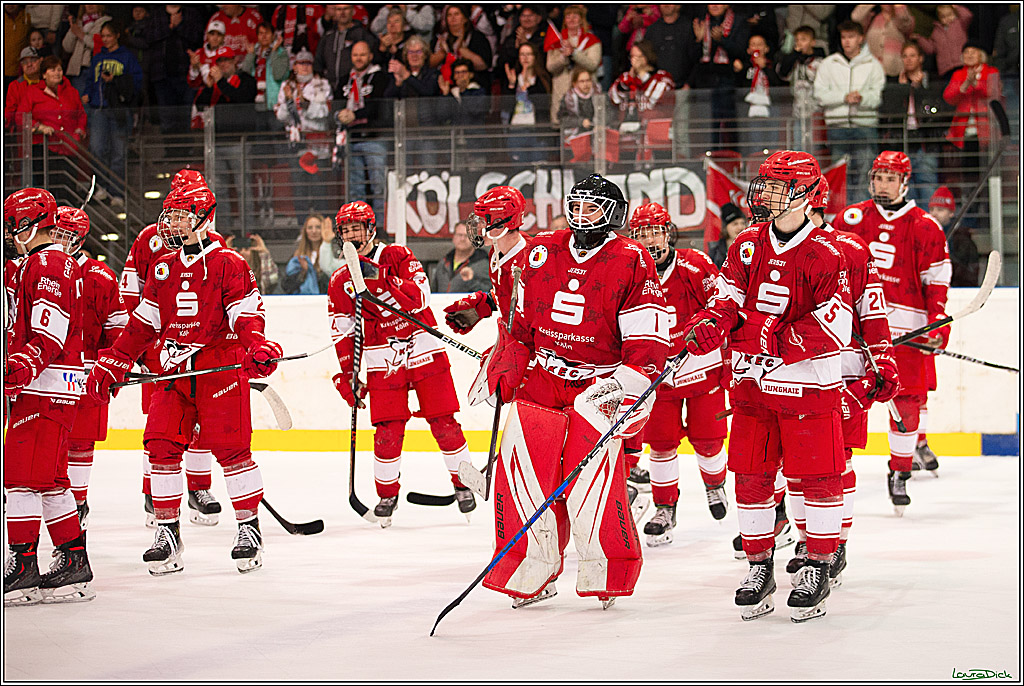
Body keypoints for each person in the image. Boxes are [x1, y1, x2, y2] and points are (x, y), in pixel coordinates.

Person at [474, 174, 670, 609]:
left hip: (599, 382)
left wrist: (629, 385)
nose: (582, 216)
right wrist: (509, 359)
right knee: (522, 477)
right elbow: (520, 324)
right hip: (543, 381)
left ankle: (607, 572)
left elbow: (648, 338)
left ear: (613, 214)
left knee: (593, 487)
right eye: (576, 206)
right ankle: (531, 569)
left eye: (593, 208)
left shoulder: (632, 258)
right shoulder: (543, 250)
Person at [682, 150, 853, 622]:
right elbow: (727, 296)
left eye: (777, 186)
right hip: (752, 387)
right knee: (752, 479)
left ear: (805, 194)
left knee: (816, 479)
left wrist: (770, 335)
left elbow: (833, 329)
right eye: (766, 185)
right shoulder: (746, 244)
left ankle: (817, 563)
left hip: (808, 389)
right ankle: (760, 567)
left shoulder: (826, 253)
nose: (764, 194)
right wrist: (711, 320)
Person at [87, 181, 283, 576]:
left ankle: (248, 527)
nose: (172, 222)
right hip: (173, 369)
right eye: (170, 214)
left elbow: (245, 314)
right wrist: (117, 360)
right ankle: (167, 533)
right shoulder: (165, 266)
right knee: (160, 445)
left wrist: (257, 346)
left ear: (204, 217)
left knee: (231, 449)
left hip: (218, 367)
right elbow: (145, 322)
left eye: (180, 214)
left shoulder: (229, 262)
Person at [327, 201, 476, 525]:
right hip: (384, 359)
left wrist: (380, 279)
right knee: (387, 430)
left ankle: (463, 485)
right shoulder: (340, 279)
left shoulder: (398, 256)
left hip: (424, 350)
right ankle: (387, 494)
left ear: (370, 229)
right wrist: (347, 374)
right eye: (346, 230)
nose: (352, 235)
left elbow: (421, 296)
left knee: (444, 422)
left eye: (357, 228)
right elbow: (342, 331)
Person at [787, 176, 898, 587]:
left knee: (836, 462)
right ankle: (807, 541)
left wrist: (882, 356)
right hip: (788, 373)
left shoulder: (850, 248)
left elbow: (872, 310)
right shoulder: (766, 246)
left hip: (842, 369)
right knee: (795, 468)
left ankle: (836, 544)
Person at [832, 151, 951, 506]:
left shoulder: (926, 226)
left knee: (908, 403)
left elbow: (937, 283)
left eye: (890, 177)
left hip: (907, 329)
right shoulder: (850, 218)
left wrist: (937, 326)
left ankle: (900, 471)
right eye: (878, 177)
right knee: (847, 400)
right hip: (855, 332)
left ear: (904, 182)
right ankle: (836, 470)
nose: (882, 183)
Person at [118, 168, 227, 528]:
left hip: (197, 347)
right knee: (161, 424)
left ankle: (199, 488)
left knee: (198, 423)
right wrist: (138, 347)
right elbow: (132, 295)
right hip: (157, 348)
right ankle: (154, 494)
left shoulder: (217, 245)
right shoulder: (149, 238)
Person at [3, 188, 94, 606]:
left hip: (43, 385)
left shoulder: (47, 262)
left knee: (19, 478)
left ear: (26, 223)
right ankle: (73, 558)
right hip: (53, 385)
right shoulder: (41, 261)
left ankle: (23, 565)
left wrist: (22, 362)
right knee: (52, 481)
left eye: (12, 224)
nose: (9, 232)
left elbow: (49, 330)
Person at [627, 202, 728, 546]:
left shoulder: (695, 265)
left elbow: (721, 308)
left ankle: (715, 485)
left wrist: (724, 356)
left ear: (668, 232)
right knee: (661, 445)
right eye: (641, 233)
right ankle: (664, 507)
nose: (649, 239)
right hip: (659, 379)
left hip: (703, 372)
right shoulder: (630, 269)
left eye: (655, 231)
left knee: (709, 441)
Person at [49, 207, 128, 528]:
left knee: (80, 441)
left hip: (87, 372)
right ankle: (47, 494)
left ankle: (78, 500)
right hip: (46, 371)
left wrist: (114, 366)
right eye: (54, 233)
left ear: (80, 239)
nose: (58, 241)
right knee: (46, 436)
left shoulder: (101, 276)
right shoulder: (36, 268)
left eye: (66, 235)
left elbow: (119, 328)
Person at [443, 185, 533, 337]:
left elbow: (540, 313)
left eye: (483, 221)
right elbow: (511, 297)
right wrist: (488, 303)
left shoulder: (532, 260)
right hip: (512, 337)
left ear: (501, 223)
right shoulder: (496, 253)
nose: (477, 227)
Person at [813, 20, 884, 202]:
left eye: (851, 37)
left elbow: (877, 97)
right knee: (838, 177)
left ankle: (861, 217)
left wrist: (861, 98)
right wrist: (844, 97)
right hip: (838, 127)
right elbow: (819, 95)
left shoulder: (873, 65)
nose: (847, 41)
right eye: (844, 37)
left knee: (865, 176)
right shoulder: (829, 64)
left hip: (865, 126)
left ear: (860, 38)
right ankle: (841, 219)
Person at [82, 22, 144, 206]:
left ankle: (117, 192)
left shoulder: (127, 57)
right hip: (98, 109)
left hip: (118, 110)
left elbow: (136, 83)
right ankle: (100, 186)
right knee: (97, 149)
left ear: (117, 35)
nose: (106, 39)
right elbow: (90, 80)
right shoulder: (97, 58)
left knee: (119, 153)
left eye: (109, 35)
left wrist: (115, 80)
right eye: (103, 36)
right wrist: (88, 93)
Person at [880, 41, 949, 204]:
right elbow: (888, 112)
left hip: (925, 143)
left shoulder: (931, 83)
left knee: (927, 185)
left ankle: (927, 227)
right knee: (904, 189)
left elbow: (935, 111)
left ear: (921, 58)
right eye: (905, 56)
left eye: (912, 56)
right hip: (902, 143)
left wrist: (918, 89)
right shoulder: (894, 85)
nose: (908, 60)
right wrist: (901, 90)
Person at [275, 48, 334, 213]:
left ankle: (324, 230)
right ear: (295, 66)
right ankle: (302, 230)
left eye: (308, 63)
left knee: (319, 190)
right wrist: (289, 100)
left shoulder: (322, 84)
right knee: (299, 190)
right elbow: (280, 116)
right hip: (296, 145)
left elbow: (324, 113)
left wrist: (305, 102)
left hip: (318, 147)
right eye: (301, 63)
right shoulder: (287, 86)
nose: (305, 67)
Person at [336, 40, 389, 221]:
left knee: (378, 185)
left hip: (374, 138)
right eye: (355, 55)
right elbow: (335, 104)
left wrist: (354, 114)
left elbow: (380, 107)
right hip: (351, 138)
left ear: (370, 56)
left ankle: (381, 225)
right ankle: (359, 226)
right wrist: (340, 115)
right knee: (355, 187)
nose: (359, 59)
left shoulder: (380, 77)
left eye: (362, 54)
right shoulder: (344, 80)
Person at [15, 57, 87, 189]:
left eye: (59, 69)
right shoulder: (33, 92)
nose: (57, 73)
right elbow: (20, 116)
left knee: (67, 188)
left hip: (68, 146)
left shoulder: (71, 92)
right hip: (44, 148)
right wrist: (38, 126)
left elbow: (81, 115)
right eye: (52, 70)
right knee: (48, 190)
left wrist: (79, 130)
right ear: (44, 74)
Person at [688, 4, 750, 150]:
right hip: (704, 81)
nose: (714, 5)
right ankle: (708, 162)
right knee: (706, 127)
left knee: (731, 126)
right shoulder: (700, 22)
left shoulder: (738, 22)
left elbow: (741, 51)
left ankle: (734, 161)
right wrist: (698, 40)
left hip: (728, 80)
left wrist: (722, 40)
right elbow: (690, 57)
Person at [942, 43, 1002, 188]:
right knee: (969, 174)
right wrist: (965, 84)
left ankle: (988, 206)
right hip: (965, 131)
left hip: (986, 131)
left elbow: (993, 94)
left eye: (973, 52)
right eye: (966, 52)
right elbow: (949, 97)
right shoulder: (959, 74)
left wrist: (975, 83)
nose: (969, 55)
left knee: (988, 172)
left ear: (981, 55)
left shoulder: (991, 72)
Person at [546, 5, 602, 124]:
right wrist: (563, 58)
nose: (571, 19)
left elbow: (592, 65)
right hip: (562, 90)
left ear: (582, 19)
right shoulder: (557, 41)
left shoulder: (592, 41)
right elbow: (550, 67)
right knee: (561, 126)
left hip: (585, 95)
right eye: (568, 16)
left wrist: (575, 53)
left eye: (575, 16)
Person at [775, 25, 824, 153]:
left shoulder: (821, 62)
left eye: (803, 39)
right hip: (798, 111)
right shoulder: (793, 60)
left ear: (812, 42)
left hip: (816, 111)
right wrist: (794, 55)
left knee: (815, 147)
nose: (799, 43)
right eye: (797, 40)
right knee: (798, 147)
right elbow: (782, 73)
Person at [733, 33, 784, 155]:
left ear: (766, 48)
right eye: (753, 44)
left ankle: (773, 169)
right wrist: (738, 71)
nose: (757, 47)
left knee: (772, 140)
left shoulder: (773, 64)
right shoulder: (744, 66)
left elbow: (778, 84)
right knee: (754, 141)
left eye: (760, 44)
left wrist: (765, 68)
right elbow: (739, 88)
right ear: (748, 49)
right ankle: (755, 169)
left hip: (771, 107)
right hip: (751, 108)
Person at [609, 39, 676, 130]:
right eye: (631, 57)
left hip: (654, 132)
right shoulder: (626, 77)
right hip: (628, 133)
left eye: (637, 57)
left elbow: (652, 99)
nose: (633, 61)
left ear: (646, 57)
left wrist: (641, 74)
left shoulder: (662, 78)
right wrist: (629, 80)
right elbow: (614, 99)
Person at [503, 41, 551, 164]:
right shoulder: (513, 77)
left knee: (539, 167)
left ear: (535, 57)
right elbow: (506, 106)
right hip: (516, 130)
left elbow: (543, 104)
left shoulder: (542, 79)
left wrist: (529, 85)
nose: (525, 58)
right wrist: (511, 85)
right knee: (519, 168)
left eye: (528, 54)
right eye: (522, 54)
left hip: (536, 131)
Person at [314, 4, 377, 94]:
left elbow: (372, 59)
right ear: (334, 12)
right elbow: (318, 62)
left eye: (346, 9)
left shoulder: (362, 34)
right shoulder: (327, 36)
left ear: (352, 10)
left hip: (352, 87)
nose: (342, 12)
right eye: (339, 9)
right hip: (328, 89)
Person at [429, 5, 492, 92]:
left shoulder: (477, 38)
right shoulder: (440, 40)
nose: (453, 18)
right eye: (449, 15)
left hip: (473, 88)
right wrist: (443, 53)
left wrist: (465, 53)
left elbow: (483, 65)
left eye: (457, 14)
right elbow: (428, 64)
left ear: (465, 18)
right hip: (444, 86)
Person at [928, 185, 978, 287]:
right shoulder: (923, 236)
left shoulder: (962, 239)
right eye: (932, 209)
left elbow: (968, 275)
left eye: (940, 210)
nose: (934, 213)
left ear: (951, 213)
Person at [851, 4, 914, 78]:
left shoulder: (905, 20)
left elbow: (903, 19)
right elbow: (856, 17)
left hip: (895, 72)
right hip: (872, 72)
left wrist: (898, 6)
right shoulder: (871, 17)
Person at [643, 4, 697, 89]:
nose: (666, 4)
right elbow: (646, 60)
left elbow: (696, 59)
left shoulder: (690, 27)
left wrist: (689, 84)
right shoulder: (652, 30)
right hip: (658, 87)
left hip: (683, 87)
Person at [60, 5, 111, 94]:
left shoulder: (106, 22)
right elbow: (67, 47)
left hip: (95, 69)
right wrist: (73, 31)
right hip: (77, 71)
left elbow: (103, 45)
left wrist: (82, 36)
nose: (90, 5)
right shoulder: (79, 22)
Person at [432, 221, 491, 292]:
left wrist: (471, 281)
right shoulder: (443, 263)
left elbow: (490, 293)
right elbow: (433, 292)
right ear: (453, 237)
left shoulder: (483, 265)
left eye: (467, 236)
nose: (462, 239)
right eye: (459, 235)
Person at [283, 215, 327, 294]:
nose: (314, 231)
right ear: (305, 231)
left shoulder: (330, 254)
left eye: (318, 227)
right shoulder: (297, 256)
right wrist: (303, 272)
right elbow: (286, 286)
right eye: (310, 228)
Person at [4, 47, 43, 130]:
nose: (29, 64)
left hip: (47, 131)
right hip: (23, 133)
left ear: (40, 60)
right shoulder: (15, 86)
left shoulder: (49, 82)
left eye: (33, 60)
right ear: (21, 65)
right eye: (25, 62)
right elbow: (10, 112)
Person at [557, 67, 598, 138]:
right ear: (575, 83)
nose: (586, 84)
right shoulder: (568, 98)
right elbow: (562, 119)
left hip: (595, 135)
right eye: (582, 81)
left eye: (588, 80)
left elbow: (608, 114)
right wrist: (581, 122)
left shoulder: (598, 95)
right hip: (575, 136)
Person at [707, 201, 746, 268]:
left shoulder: (751, 247)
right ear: (725, 227)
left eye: (742, 223)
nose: (740, 227)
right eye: (735, 224)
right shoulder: (715, 251)